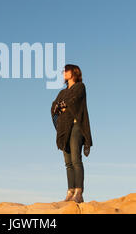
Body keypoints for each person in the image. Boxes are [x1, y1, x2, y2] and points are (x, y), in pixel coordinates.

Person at [50, 64, 93, 203]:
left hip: (76, 126)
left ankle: (78, 193)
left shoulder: (80, 87)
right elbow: (54, 106)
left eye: (66, 70)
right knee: (68, 163)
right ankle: (70, 192)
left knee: (76, 160)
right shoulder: (62, 92)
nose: (63, 72)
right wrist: (60, 106)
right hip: (64, 129)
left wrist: (63, 106)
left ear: (74, 72)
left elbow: (72, 101)